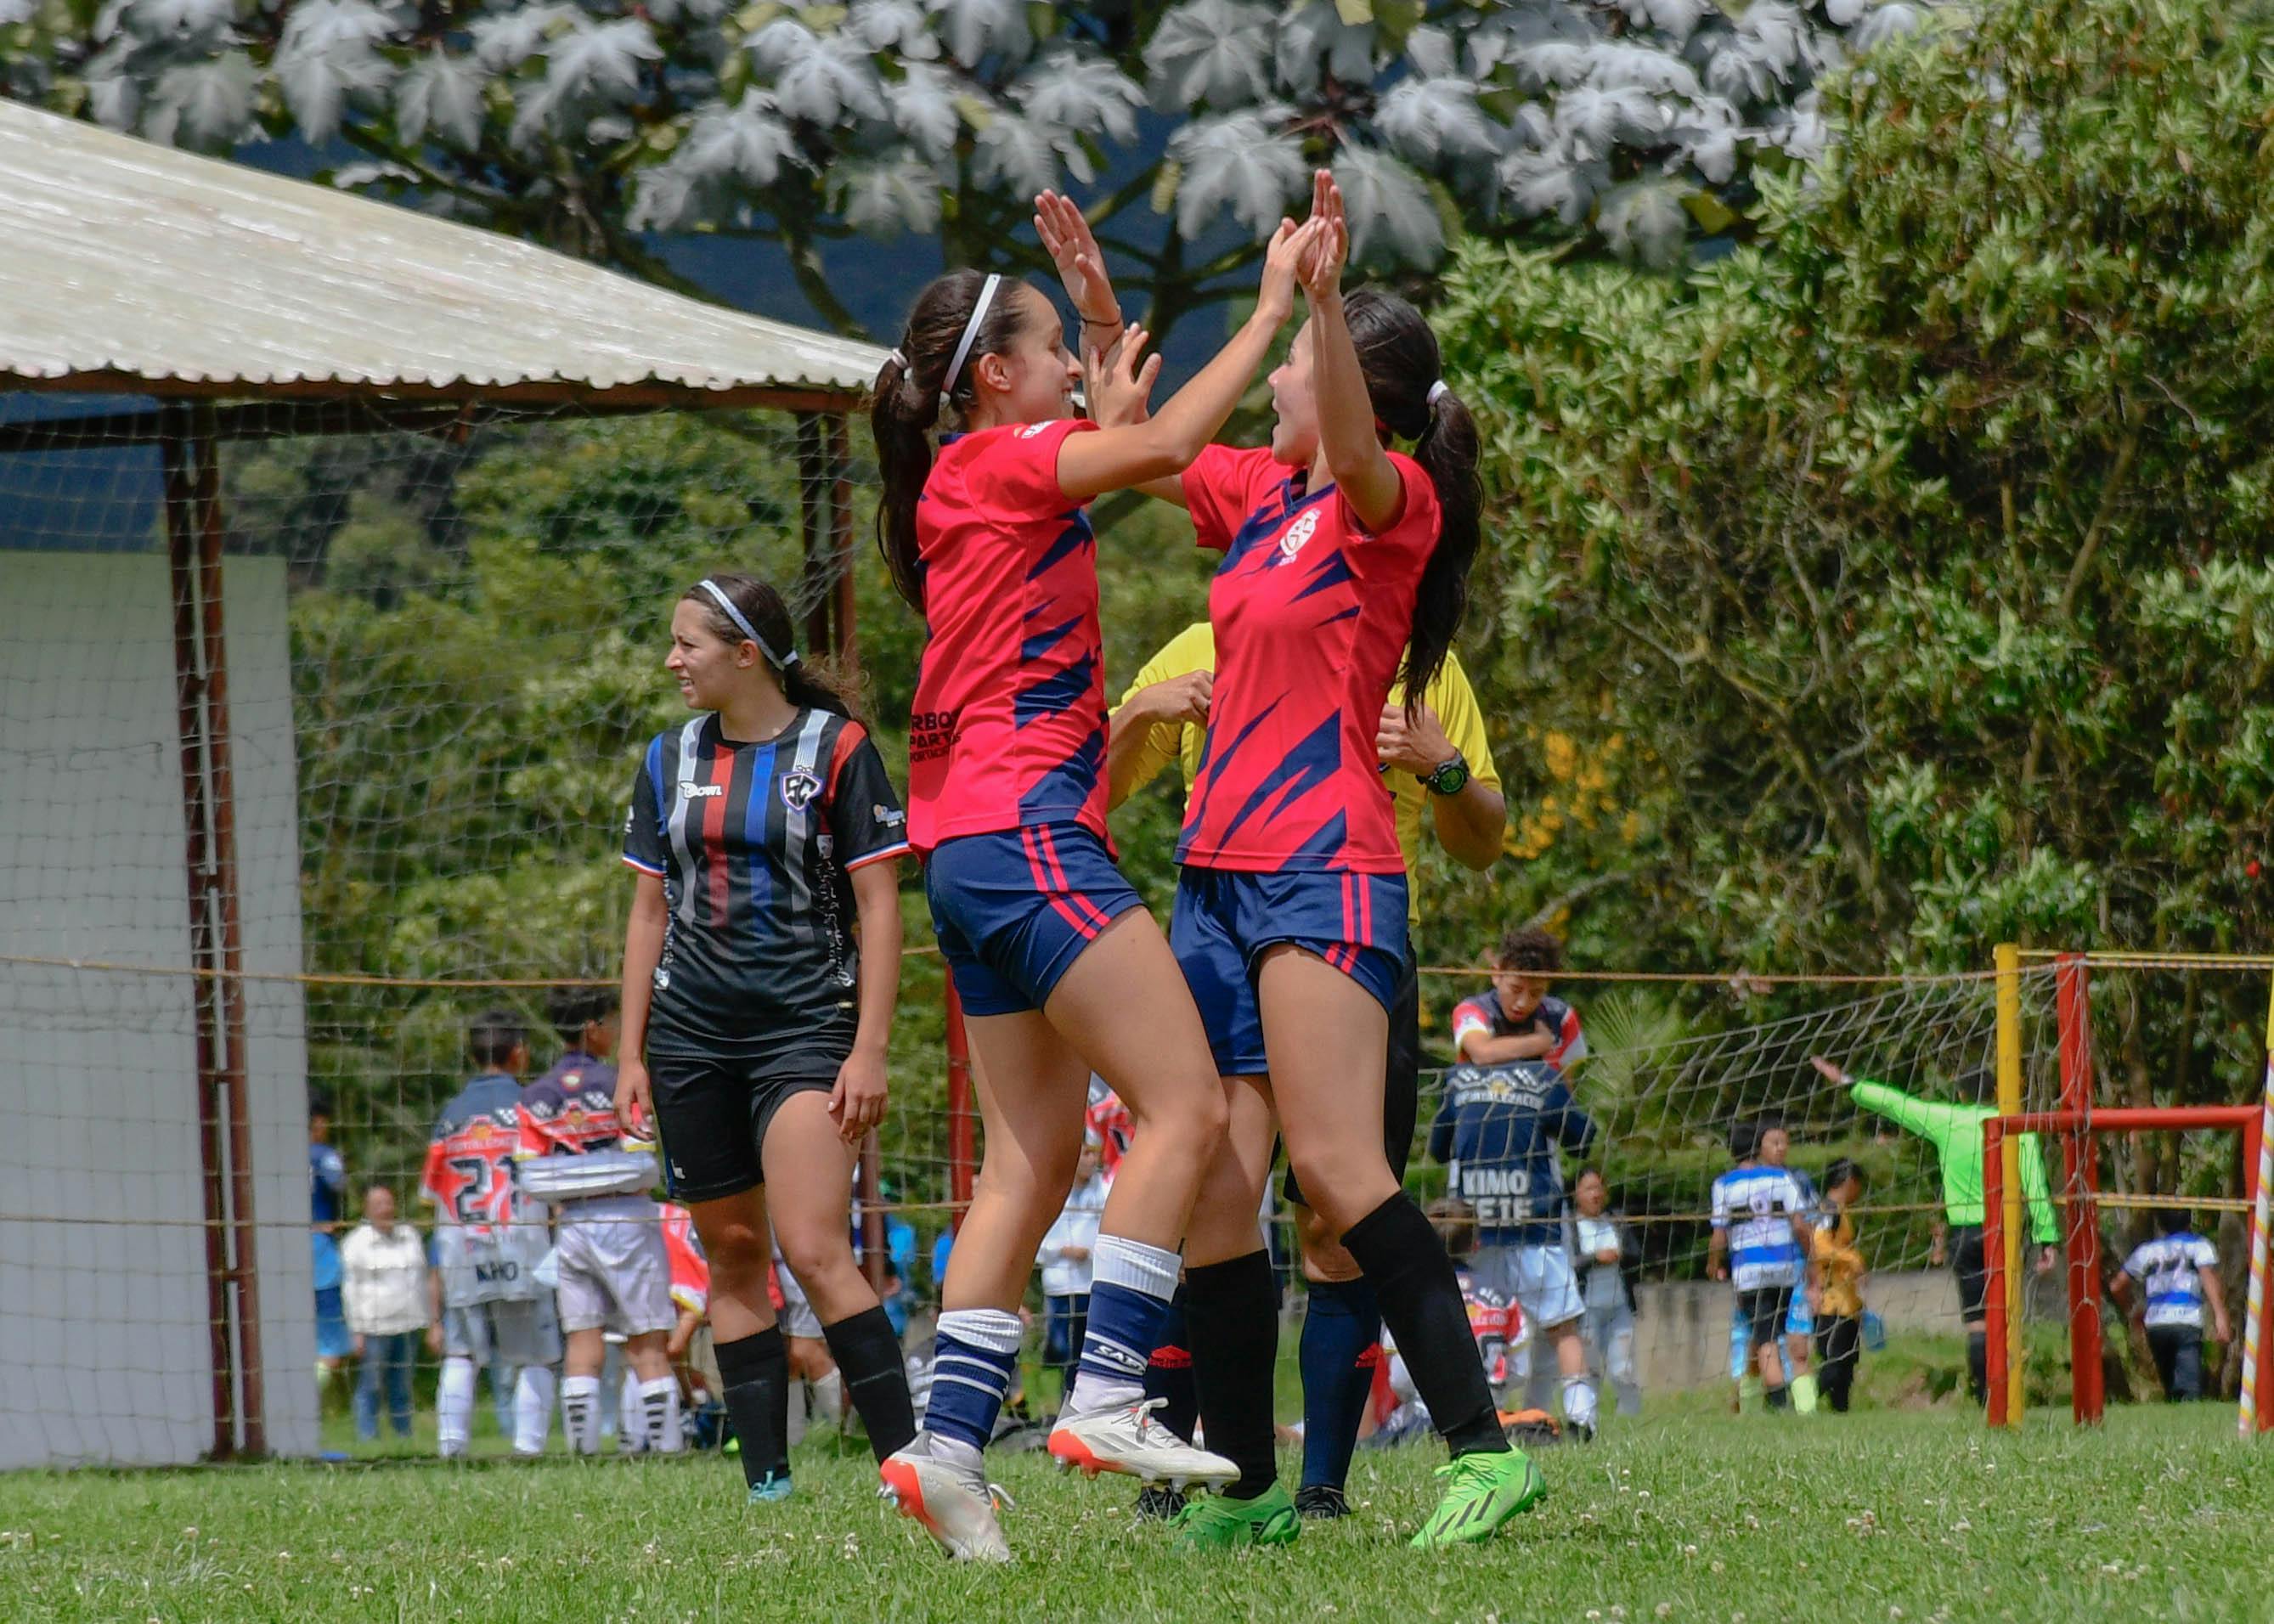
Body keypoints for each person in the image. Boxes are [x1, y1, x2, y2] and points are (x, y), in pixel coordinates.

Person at [868, 190, 1324, 1559]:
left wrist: (1106, 306)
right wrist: (1269, 309)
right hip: (1022, 839)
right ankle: (1111, 1387)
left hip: (965, 851)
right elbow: (1172, 442)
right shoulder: (998, 466)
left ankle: (946, 1451)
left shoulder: (978, 474)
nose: (1080, 361)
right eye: (1055, 347)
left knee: (1027, 1160)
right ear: (996, 379)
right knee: (1185, 1106)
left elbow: (1124, 442)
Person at [1130, 172, 1538, 1554]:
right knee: (1209, 1182)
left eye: (1296, 369)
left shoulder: (1390, 502)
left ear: (1348, 385)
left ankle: (1484, 1454)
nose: (1276, 391)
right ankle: (1248, 1483)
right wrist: (1253, 314)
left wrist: (1320, 303)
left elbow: (1358, 452)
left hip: (1323, 871)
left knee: (1335, 1171)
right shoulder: (1255, 497)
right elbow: (1143, 446)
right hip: (1212, 879)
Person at [1109, 608, 1503, 1525]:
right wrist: (1140, 713)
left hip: (1355, 940)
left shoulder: (1419, 661)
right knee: (1214, 1195)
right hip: (1221, 930)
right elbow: (1094, 789)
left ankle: (1326, 1484)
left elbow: (1482, 838)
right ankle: (1225, 1482)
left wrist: (1440, 767)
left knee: (1334, 1213)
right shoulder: (1200, 642)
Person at [613, 573, 920, 1507]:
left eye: (687, 645)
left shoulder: (839, 749)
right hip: (691, 1039)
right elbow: (647, 908)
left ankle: (916, 1470)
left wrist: (869, 1047)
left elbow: (879, 905)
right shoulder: (670, 758)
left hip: (805, 1029)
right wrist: (631, 1053)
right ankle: (767, 1488)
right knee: (735, 1252)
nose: (672, 661)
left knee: (816, 1246)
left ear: (745, 652)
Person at [1811, 1057, 2059, 1404]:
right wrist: (2045, 1237)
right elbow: (2036, 1185)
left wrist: (1851, 1083)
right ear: (1996, 1092)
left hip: (1963, 1234)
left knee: (1976, 1322)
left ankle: (1982, 1398)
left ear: (1959, 1094)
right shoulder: (2017, 1127)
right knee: (2003, 1317)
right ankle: (2006, 1395)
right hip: (2003, 1231)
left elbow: (1896, 1104)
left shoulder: (1946, 1120)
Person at [516, 986, 683, 1458]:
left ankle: (582, 1454)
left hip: (571, 1223)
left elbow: (529, 1171)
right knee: (647, 1340)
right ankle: (670, 1448)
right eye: (610, 1022)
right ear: (592, 1029)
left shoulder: (536, 1094)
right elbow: (642, 1163)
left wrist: (571, 1178)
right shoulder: (620, 1084)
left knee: (582, 1339)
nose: (614, 1031)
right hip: (626, 1217)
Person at [1425, 1057, 1599, 1437]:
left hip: (1473, 1235)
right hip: (1534, 1226)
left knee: (1470, 1325)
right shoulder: (1543, 1076)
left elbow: (1439, 1149)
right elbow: (1583, 1139)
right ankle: (1582, 1418)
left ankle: (1465, 1419)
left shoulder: (1458, 1079)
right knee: (1563, 1327)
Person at [421, 1009, 561, 1458]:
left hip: (463, 1246)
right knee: (534, 1355)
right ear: (518, 1053)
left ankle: (451, 1447)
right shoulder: (527, 1108)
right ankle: (528, 1449)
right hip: (522, 1243)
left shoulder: (450, 1116)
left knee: (461, 1354)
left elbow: (431, 1191)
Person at [1707, 1117, 1814, 1413]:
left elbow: (1719, 1235)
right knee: (1767, 1332)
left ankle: (1780, 1402)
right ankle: (1754, 1399)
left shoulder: (1724, 1185)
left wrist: (1714, 1263)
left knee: (1765, 1338)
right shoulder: (1781, 1178)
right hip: (1785, 1269)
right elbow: (1801, 1226)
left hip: (1749, 1271)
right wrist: (1812, 1262)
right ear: (1758, 1147)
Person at [2112, 1208, 2230, 1401]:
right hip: (2186, 1319)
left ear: (2160, 1225)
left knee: (2170, 1384)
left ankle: (2175, 1410)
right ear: (2189, 1222)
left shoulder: (2147, 1251)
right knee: (2189, 1387)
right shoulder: (2198, 1246)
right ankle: (2189, 1416)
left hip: (2157, 1324)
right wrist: (2220, 1315)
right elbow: (2209, 1278)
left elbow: (2117, 1286)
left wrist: (2132, 1311)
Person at [339, 1182, 426, 1443]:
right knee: (372, 1385)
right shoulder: (356, 1243)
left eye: (388, 1203)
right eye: (378, 1205)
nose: (385, 1209)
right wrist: (355, 1330)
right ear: (367, 1209)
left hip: (409, 1324)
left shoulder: (409, 1235)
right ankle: (368, 1436)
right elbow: (349, 1290)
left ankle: (404, 1436)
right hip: (373, 1328)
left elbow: (421, 1277)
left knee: (402, 1386)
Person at [1451, 927, 1587, 1071]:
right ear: (1496, 974)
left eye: (1536, 993)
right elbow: (1481, 1054)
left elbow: (1568, 1085)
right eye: (1515, 989)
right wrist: (1539, 1043)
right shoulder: (1472, 1010)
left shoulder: (1563, 1017)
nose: (1523, 1003)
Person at [1038, 1137, 1108, 1406]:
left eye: (1094, 1154)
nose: (1091, 1160)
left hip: (1090, 1283)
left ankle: (1076, 1405)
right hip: (1059, 1284)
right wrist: (1062, 1249)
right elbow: (1037, 1240)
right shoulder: (1051, 1190)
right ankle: (1048, 1407)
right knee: (1058, 1349)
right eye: (1085, 1153)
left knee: (1083, 1351)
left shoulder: (1103, 1190)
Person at [1571, 1168, 1641, 1419]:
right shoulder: (1570, 1226)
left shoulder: (1616, 1221)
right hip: (1586, 1309)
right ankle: (1588, 1418)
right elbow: (1569, 1262)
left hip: (1619, 1306)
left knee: (1624, 1369)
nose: (1595, 1194)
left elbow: (1636, 1253)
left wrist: (1621, 1254)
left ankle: (1630, 1419)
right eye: (1589, 1188)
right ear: (1577, 1193)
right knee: (1589, 1370)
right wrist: (1594, 1259)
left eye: (1599, 1188)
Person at [1810, 1159, 1868, 1413]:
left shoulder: (1841, 1212)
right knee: (1834, 1363)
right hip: (1830, 1304)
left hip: (1847, 1302)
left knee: (1846, 1364)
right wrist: (1851, 1258)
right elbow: (1819, 1247)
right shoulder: (1828, 1210)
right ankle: (1804, 1400)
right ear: (1849, 1182)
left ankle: (1841, 1412)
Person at [309, 1090, 352, 1412]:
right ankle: (307, 1396)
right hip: (320, 1251)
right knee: (330, 1344)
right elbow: (339, 1184)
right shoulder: (323, 1155)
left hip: (279, 1252)